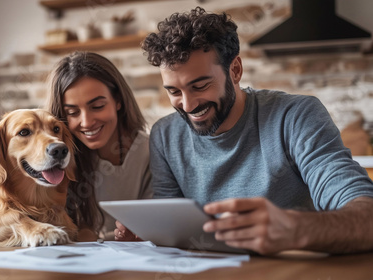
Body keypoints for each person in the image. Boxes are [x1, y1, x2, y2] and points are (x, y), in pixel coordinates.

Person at [115, 7, 373, 254]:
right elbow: (171, 228)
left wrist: (295, 228)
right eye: (173, 91)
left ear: (235, 70)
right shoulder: (165, 136)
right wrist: (151, 233)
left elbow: (367, 217)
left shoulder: (295, 116)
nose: (188, 104)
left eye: (200, 86)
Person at [47, 51, 153, 240]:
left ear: (118, 101)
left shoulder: (150, 151)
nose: (86, 122)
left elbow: (157, 224)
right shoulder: (59, 161)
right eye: (72, 112)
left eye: (97, 107)